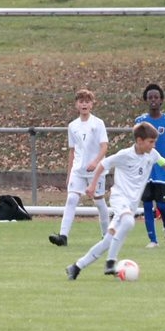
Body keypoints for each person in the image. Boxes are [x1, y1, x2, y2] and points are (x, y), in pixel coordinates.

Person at [65, 122, 165, 280]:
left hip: (131, 205)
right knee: (128, 222)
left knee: (108, 241)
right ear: (139, 141)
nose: (153, 145)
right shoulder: (125, 155)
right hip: (119, 198)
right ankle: (111, 262)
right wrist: (92, 185)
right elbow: (103, 164)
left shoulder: (152, 154)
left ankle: (76, 267)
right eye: (151, 142)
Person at [49, 89, 110, 247]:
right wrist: (69, 173)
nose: (84, 104)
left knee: (99, 201)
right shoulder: (73, 126)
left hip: (96, 171)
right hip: (78, 170)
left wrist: (95, 162)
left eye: (87, 101)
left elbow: (104, 146)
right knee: (71, 199)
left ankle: (107, 236)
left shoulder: (98, 123)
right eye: (81, 101)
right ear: (76, 104)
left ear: (92, 104)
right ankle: (63, 236)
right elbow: (72, 150)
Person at [134, 83, 165, 248]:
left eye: (156, 97)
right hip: (145, 169)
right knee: (147, 205)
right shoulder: (140, 121)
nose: (153, 100)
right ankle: (153, 240)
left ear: (161, 100)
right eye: (150, 97)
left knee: (161, 205)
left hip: (162, 169)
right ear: (146, 100)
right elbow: (137, 147)